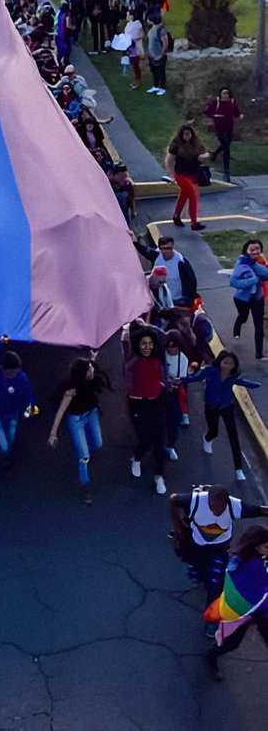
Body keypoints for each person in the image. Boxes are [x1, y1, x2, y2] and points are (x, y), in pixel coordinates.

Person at [169, 484, 268, 607]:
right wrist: (178, 527)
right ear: (208, 500)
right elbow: (173, 499)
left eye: (222, 509)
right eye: (214, 508)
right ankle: (201, 577)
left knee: (216, 583)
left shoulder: (235, 506)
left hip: (219, 549)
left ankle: (211, 615)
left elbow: (260, 510)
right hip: (196, 545)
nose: (217, 513)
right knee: (195, 572)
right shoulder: (196, 500)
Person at [181, 350, 260, 481]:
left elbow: (242, 382)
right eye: (226, 363)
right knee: (214, 431)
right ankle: (207, 438)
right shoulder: (209, 371)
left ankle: (238, 469)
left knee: (233, 436)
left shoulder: (232, 377)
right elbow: (196, 378)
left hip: (227, 406)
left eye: (231, 364)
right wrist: (182, 380)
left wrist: (254, 385)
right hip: (211, 407)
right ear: (220, 362)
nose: (228, 366)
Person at [206, 524, 268, 679]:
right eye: (267, 546)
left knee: (234, 642)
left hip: (250, 610)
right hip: (249, 610)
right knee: (233, 642)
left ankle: (213, 653)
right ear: (256, 546)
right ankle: (212, 654)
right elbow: (261, 594)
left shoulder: (239, 559)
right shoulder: (255, 566)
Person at [48, 357, 108, 504]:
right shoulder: (71, 390)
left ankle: (86, 454)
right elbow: (61, 412)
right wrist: (53, 434)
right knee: (83, 455)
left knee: (98, 443)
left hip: (90, 413)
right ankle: (85, 484)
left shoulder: (92, 380)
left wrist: (93, 358)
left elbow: (94, 368)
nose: (92, 369)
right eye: (89, 369)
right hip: (76, 420)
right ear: (82, 374)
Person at [121, 321, 169, 496]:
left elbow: (163, 336)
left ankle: (159, 475)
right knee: (145, 437)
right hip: (137, 403)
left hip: (157, 401)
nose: (147, 347)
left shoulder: (158, 360)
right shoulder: (131, 361)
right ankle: (137, 457)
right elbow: (125, 338)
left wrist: (148, 326)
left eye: (150, 343)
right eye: (143, 344)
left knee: (159, 440)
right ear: (137, 345)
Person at [0, 335, 36, 473]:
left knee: (10, 441)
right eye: (12, 372)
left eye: (16, 372)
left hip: (13, 416)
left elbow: (30, 400)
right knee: (4, 446)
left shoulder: (22, 378)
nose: (14, 375)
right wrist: (1, 341)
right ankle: (3, 464)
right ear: (3, 368)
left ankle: (5, 459)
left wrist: (27, 414)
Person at [132, 232, 198, 310]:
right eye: (163, 249)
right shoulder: (157, 257)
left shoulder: (181, 262)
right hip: (161, 300)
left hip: (177, 302)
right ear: (159, 248)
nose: (166, 251)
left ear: (173, 247)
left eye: (168, 248)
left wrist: (186, 301)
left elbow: (192, 282)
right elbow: (145, 251)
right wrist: (134, 241)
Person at [165, 125, 210, 231]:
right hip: (181, 174)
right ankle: (194, 223)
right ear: (181, 134)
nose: (187, 136)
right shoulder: (176, 145)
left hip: (193, 174)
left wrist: (203, 157)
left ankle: (176, 216)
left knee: (184, 195)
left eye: (188, 133)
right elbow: (170, 159)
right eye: (185, 134)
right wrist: (171, 173)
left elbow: (205, 153)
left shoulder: (197, 143)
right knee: (193, 196)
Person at [229, 238, 268, 360]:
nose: (255, 251)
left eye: (258, 249)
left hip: (257, 298)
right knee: (243, 317)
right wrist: (253, 281)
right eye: (252, 249)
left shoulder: (254, 264)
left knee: (259, 325)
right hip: (242, 299)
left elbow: (265, 273)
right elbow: (233, 282)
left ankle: (259, 354)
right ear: (246, 250)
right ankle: (237, 329)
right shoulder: (241, 265)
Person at [203, 86, 242, 183]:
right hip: (219, 127)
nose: (225, 95)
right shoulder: (216, 101)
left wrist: (239, 116)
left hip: (229, 127)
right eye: (224, 93)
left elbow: (236, 113)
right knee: (226, 148)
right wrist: (213, 118)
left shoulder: (232, 102)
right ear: (220, 94)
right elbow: (207, 112)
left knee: (227, 144)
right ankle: (226, 172)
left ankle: (214, 154)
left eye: (227, 93)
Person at [145, 15, 169, 96]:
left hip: (159, 55)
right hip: (152, 55)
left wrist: (161, 54)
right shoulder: (152, 29)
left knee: (161, 71)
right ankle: (155, 86)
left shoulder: (161, 30)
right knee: (154, 71)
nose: (147, 20)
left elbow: (165, 43)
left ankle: (162, 87)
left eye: (148, 19)